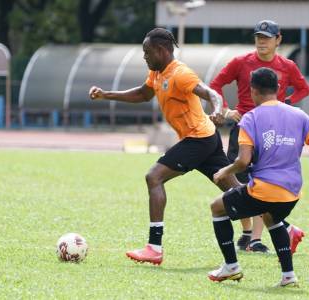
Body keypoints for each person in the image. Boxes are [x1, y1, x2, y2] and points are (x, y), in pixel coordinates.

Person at [207, 67, 309, 287]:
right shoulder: (299, 115)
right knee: (271, 217)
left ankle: (231, 266)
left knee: (216, 207)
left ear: (253, 91)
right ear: (278, 89)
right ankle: (288, 275)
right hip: (292, 193)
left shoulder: (250, 119)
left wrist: (224, 172)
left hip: (265, 190)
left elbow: (242, 161)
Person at [89, 28, 238, 265]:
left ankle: (154, 247)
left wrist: (218, 111)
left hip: (198, 140)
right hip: (205, 139)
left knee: (154, 177)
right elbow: (142, 94)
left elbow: (212, 95)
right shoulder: (157, 73)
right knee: (237, 193)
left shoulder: (180, 73)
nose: (144, 57)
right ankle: (285, 228)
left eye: (146, 52)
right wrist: (106, 95)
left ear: (160, 50)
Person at [210, 20, 309, 253]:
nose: (261, 41)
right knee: (235, 180)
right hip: (244, 127)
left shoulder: (287, 66)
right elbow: (216, 84)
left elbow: (304, 89)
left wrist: (286, 103)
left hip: (271, 132)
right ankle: (258, 231)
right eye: (258, 37)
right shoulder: (240, 62)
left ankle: (255, 239)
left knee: (262, 183)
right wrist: (225, 110)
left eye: (267, 37)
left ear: (278, 40)